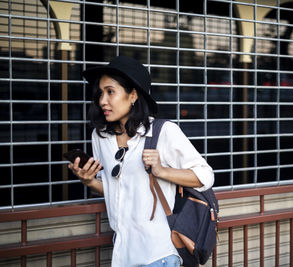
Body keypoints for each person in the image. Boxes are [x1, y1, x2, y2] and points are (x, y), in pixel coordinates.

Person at [68, 56, 214, 267]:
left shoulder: (163, 132)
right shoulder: (100, 137)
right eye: (100, 93)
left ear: (133, 94)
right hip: (122, 254)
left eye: (110, 92)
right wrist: (89, 181)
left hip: (159, 254)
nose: (102, 101)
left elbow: (206, 176)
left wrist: (162, 171)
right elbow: (116, 188)